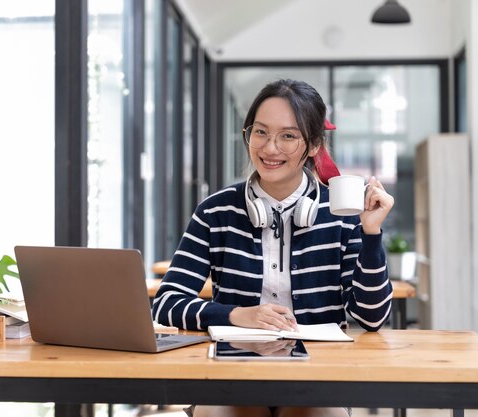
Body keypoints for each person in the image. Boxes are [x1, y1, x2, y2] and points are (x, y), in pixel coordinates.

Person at [151, 79, 394, 417]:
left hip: (317, 376)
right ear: (247, 134)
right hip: (232, 374)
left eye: (288, 135)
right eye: (261, 132)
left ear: (314, 145)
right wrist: (236, 315)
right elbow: (165, 304)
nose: (270, 148)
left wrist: (370, 232)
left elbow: (372, 317)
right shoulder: (215, 212)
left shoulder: (343, 214)